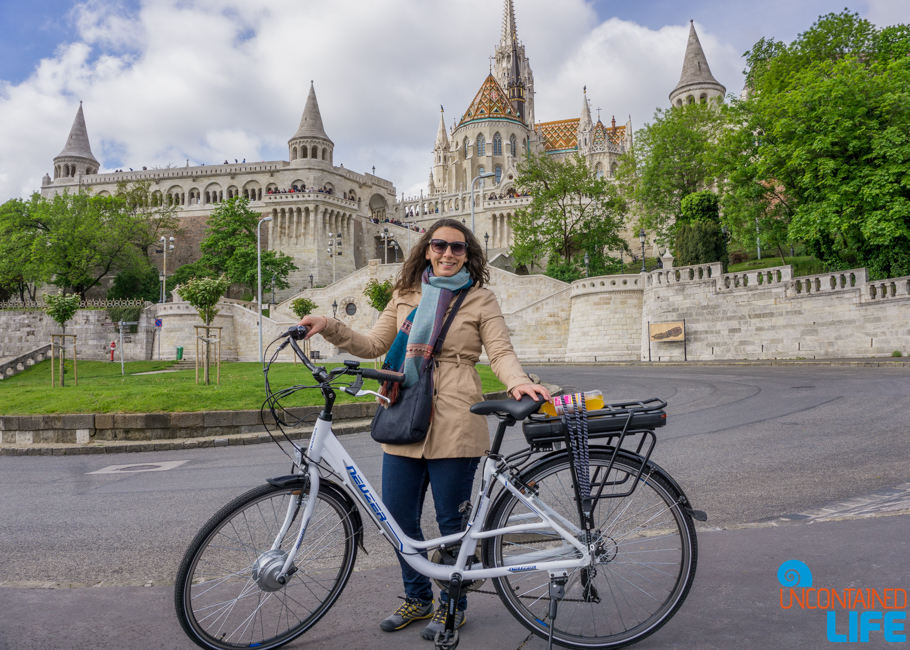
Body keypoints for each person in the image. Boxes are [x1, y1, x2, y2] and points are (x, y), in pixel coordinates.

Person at [297, 218, 549, 640]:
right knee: (398, 518)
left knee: (451, 521)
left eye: (458, 248)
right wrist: (331, 325)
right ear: (427, 250)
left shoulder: (480, 298)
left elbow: (500, 351)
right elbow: (375, 346)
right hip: (403, 412)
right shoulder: (405, 296)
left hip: (456, 416)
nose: (448, 254)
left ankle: (453, 605)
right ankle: (417, 598)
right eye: (440, 246)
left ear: (468, 255)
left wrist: (516, 380)